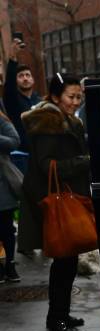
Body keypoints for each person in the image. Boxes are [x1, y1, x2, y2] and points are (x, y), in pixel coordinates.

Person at [19, 74, 91, 331]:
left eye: (78, 97)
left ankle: (60, 315)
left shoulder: (65, 120)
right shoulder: (49, 123)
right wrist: (84, 161)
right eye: (71, 97)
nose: (75, 102)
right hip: (55, 203)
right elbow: (47, 165)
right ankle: (57, 322)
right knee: (63, 262)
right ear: (56, 96)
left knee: (66, 262)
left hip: (62, 199)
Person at [3, 39, 42, 174]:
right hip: (22, 157)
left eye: (27, 75)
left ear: (33, 79)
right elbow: (9, 90)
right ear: (16, 80)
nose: (25, 78)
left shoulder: (40, 101)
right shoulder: (13, 101)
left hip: (42, 156)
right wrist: (13, 59)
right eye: (20, 76)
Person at [0, 111, 21, 283]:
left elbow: (14, 141)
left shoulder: (1, 119)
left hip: (2, 184)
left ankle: (10, 263)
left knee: (7, 228)